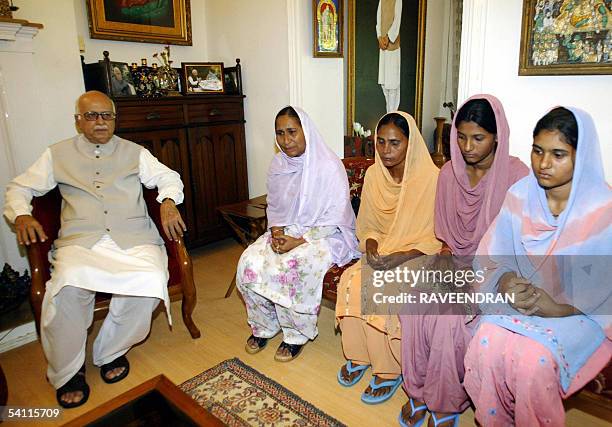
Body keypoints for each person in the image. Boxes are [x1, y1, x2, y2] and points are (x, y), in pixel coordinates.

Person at [3, 91, 186, 408]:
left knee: (150, 283)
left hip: (134, 237)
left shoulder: (135, 152)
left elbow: (168, 177)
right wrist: (20, 213)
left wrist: (168, 200)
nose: (100, 122)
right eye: (92, 116)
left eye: (106, 115)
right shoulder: (56, 154)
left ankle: (110, 350)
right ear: (78, 120)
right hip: (81, 241)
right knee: (67, 289)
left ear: (115, 119)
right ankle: (68, 372)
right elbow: (19, 188)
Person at [463, 107, 612, 426]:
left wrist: (557, 307)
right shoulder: (519, 195)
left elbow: (605, 285)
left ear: (580, 155)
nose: (544, 164)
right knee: (486, 342)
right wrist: (503, 283)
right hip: (524, 300)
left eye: (558, 154)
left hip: (581, 312)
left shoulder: (603, 209)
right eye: (538, 151)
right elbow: (494, 255)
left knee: (533, 361)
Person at [398, 95, 529, 427]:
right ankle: (416, 391)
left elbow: (519, 249)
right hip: (453, 262)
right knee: (414, 299)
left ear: (497, 135)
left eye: (478, 138)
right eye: (461, 136)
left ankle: (444, 404)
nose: (468, 146)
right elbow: (445, 243)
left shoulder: (517, 177)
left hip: (498, 271)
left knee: (449, 316)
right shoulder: (448, 174)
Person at [236, 106, 359, 362]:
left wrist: (298, 241)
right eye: (280, 133)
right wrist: (278, 233)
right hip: (288, 230)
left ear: (306, 131)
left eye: (292, 131)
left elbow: (335, 215)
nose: (286, 140)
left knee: (293, 265)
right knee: (250, 260)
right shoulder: (279, 164)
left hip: (325, 234)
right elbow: (276, 205)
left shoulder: (328, 165)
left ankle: (295, 334)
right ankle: (265, 325)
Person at [336, 111, 441, 404]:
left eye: (395, 143)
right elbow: (367, 224)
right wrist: (370, 244)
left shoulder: (431, 179)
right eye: (380, 142)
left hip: (419, 253)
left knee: (384, 289)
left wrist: (402, 256)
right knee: (355, 280)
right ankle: (359, 353)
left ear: (411, 143)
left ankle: (389, 370)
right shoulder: (373, 174)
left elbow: (434, 237)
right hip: (384, 249)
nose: (386, 151)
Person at [376, 0, 402, 113]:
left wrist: (388, 37)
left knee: (392, 84)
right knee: (384, 84)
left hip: (393, 47)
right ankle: (388, 113)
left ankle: (392, 113)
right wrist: (379, 38)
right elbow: (378, 21)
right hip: (383, 47)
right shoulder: (382, 1)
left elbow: (397, 21)